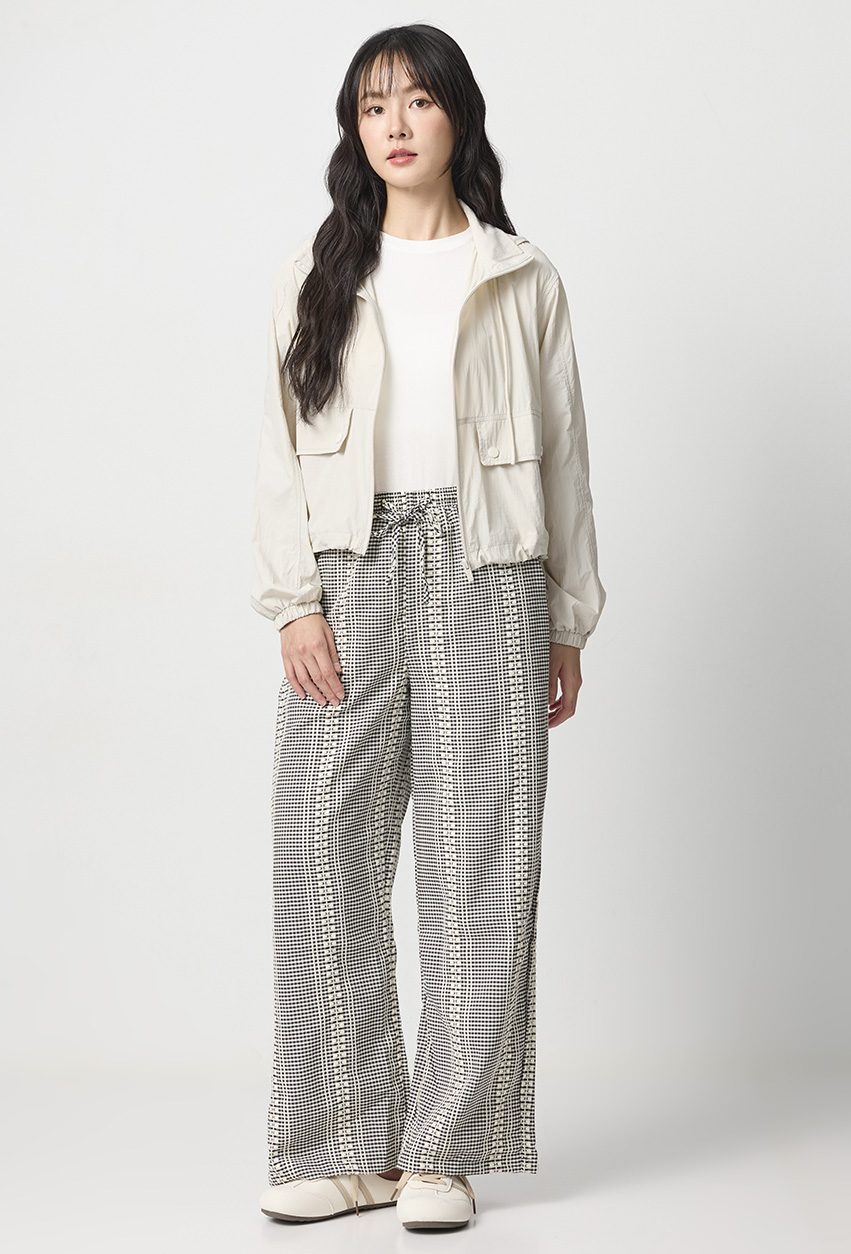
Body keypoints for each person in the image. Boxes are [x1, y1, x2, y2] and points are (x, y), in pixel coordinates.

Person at [249, 23, 606, 1231]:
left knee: (479, 863)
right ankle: (346, 1145)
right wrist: (295, 602)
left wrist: (566, 621)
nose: (393, 124)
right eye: (370, 106)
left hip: (490, 570)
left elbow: (565, 457)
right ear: (354, 131)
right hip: (348, 569)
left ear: (458, 114)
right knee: (321, 852)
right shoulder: (316, 272)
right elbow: (276, 453)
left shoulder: (520, 276)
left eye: (414, 100)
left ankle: (441, 1151)